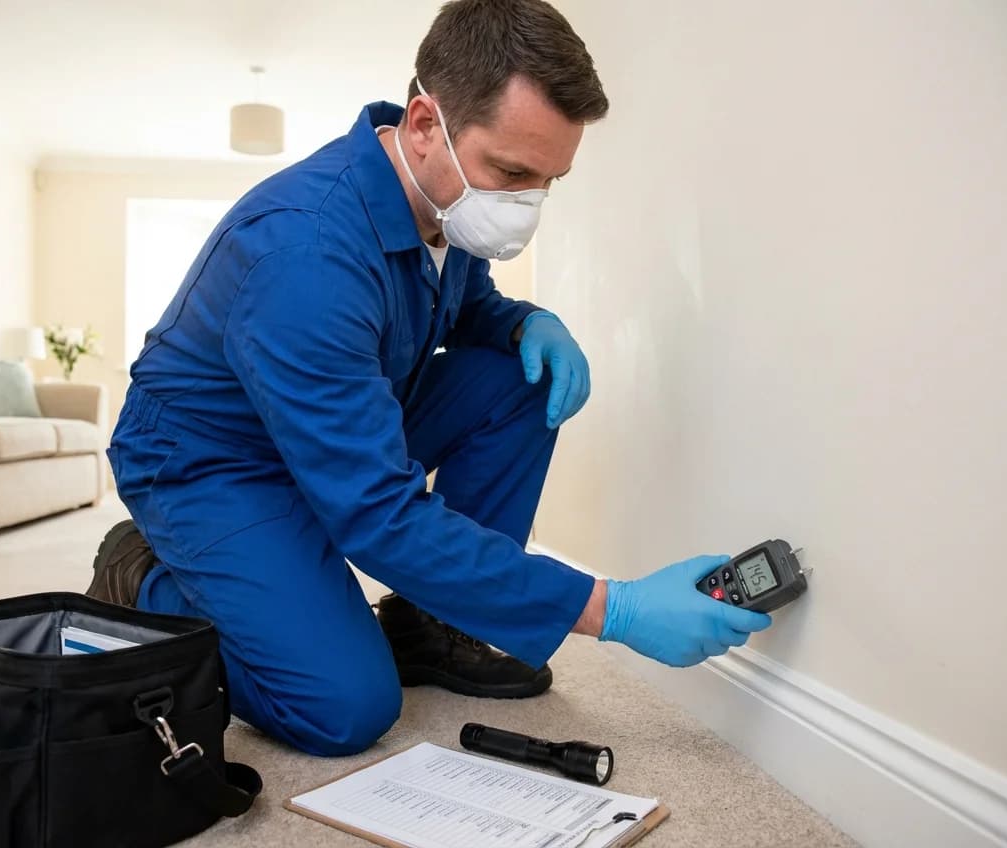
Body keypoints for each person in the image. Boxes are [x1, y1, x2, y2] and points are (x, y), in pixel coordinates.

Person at [86, 0, 771, 757]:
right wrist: (615, 609)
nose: (525, 205)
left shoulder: (447, 199)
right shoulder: (305, 255)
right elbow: (377, 514)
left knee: (519, 378)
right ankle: (140, 575)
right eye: (512, 173)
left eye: (548, 181)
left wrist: (521, 322)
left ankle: (429, 624)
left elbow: (466, 307)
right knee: (344, 707)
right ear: (423, 123)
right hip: (213, 464)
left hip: (333, 425)